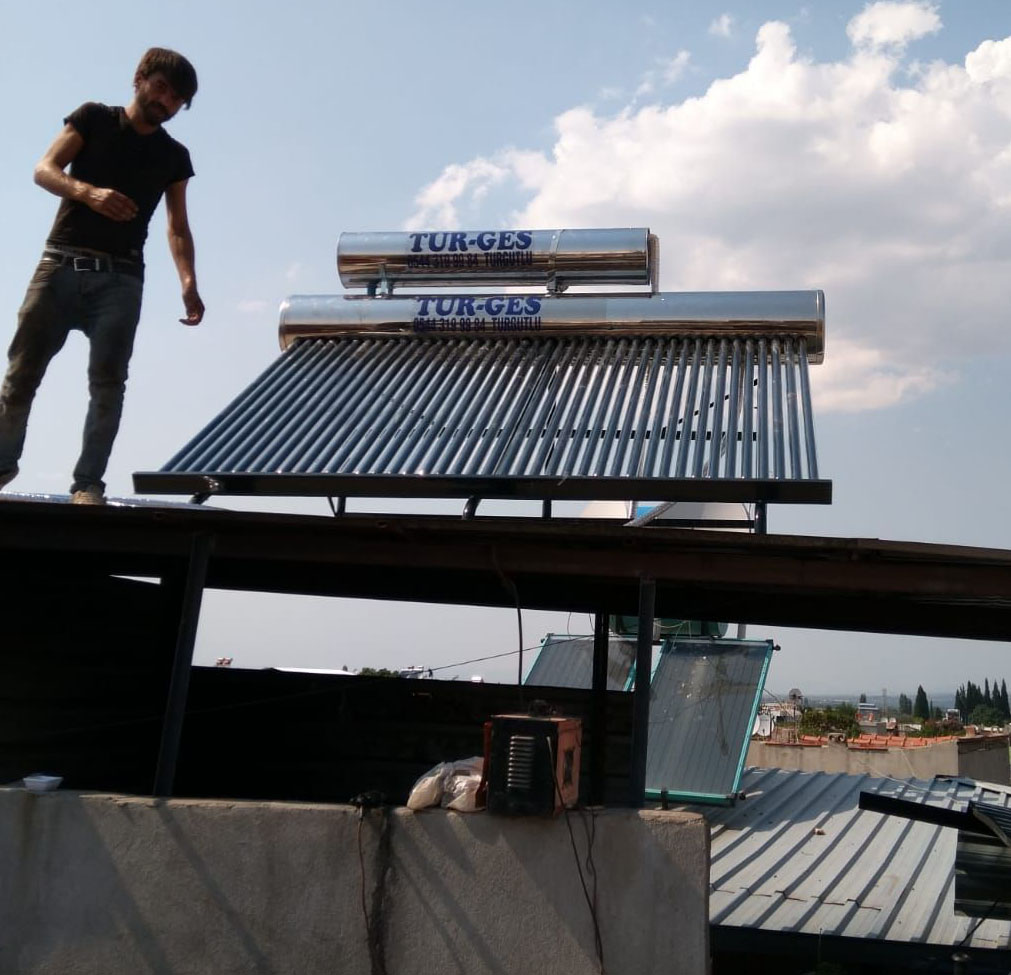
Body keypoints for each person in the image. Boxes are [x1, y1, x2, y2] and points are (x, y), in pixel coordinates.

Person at [0, 48, 204, 505]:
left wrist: (188, 282)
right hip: (60, 265)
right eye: (162, 88)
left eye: (177, 100)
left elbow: (177, 226)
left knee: (109, 386)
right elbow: (44, 169)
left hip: (122, 278)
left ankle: (88, 485)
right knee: (20, 375)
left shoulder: (174, 156)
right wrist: (87, 193)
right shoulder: (93, 118)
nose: (166, 102)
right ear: (140, 78)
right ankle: (1, 463)